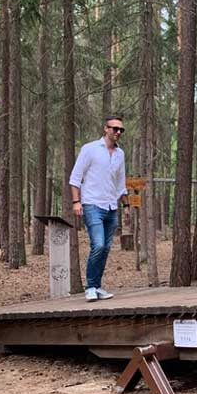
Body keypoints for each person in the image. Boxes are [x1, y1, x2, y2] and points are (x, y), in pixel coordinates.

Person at [69, 116, 131, 301]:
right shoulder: (90, 149)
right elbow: (75, 178)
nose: (118, 132)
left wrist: (126, 205)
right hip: (92, 204)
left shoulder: (120, 154)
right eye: (115, 129)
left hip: (112, 206)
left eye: (121, 130)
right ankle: (90, 287)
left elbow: (120, 183)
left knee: (105, 249)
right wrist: (76, 202)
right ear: (106, 129)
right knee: (98, 245)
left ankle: (97, 286)